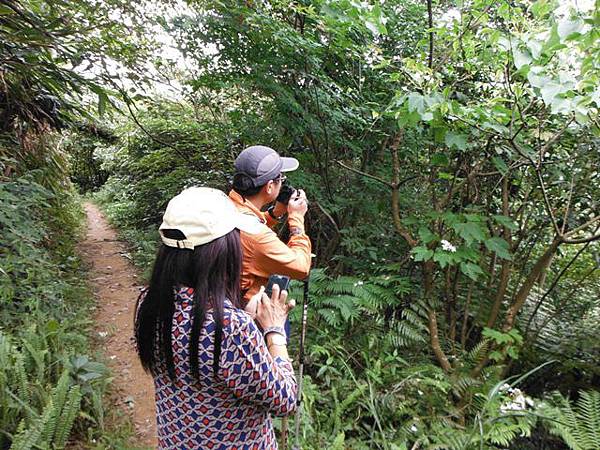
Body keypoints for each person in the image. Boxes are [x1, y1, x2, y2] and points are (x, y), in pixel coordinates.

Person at [134, 187, 297, 449]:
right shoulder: (232, 329)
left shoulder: (149, 303)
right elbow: (286, 399)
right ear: (220, 251)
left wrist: (239, 316)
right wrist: (274, 330)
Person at [229, 145, 312, 304]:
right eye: (280, 178)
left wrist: (275, 213)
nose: (282, 183)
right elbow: (300, 268)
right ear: (269, 187)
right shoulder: (257, 237)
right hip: (245, 311)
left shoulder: (225, 205)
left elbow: (247, 228)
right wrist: (296, 219)